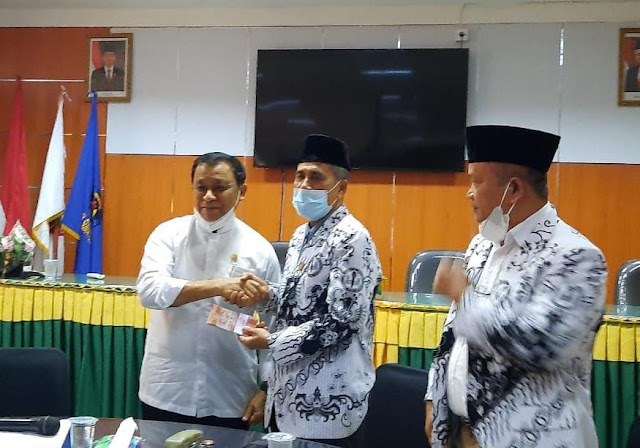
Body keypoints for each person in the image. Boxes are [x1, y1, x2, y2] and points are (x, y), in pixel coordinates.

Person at [424, 125, 607, 448]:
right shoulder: (483, 244)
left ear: (514, 189)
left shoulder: (575, 256)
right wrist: (434, 397)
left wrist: (464, 298)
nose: (469, 193)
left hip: (534, 436)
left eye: (477, 181)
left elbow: (543, 346)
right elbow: (455, 333)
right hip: (463, 432)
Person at [230, 134, 382, 447]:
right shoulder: (301, 234)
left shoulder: (352, 238)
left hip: (327, 403)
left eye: (316, 177)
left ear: (341, 188)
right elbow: (300, 300)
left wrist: (272, 341)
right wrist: (266, 294)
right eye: (300, 176)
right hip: (285, 394)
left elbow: (340, 322)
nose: (304, 185)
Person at [137, 152, 281, 429]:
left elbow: (275, 326)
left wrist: (267, 387)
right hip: (167, 389)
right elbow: (150, 291)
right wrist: (219, 285)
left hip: (231, 393)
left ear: (242, 191)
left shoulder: (260, 250)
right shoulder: (168, 235)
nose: (209, 196)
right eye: (201, 187)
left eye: (220, 187)